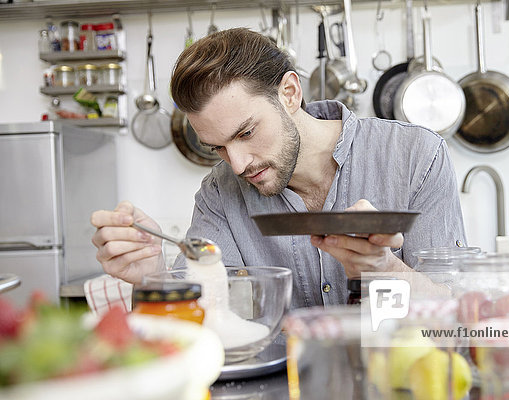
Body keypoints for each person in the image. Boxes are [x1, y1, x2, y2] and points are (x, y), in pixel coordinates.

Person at [91, 28, 466, 308]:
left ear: (289, 93)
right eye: (218, 147)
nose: (237, 164)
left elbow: (456, 313)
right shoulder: (220, 193)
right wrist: (151, 274)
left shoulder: (416, 156)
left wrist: (386, 271)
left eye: (247, 132)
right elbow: (203, 318)